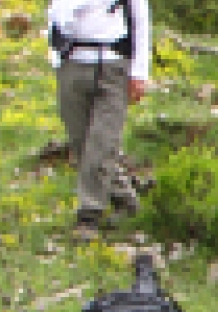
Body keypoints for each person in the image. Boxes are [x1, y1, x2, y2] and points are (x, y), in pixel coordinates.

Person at [47, 0, 150, 236]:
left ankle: (89, 215)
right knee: (81, 142)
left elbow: (140, 19)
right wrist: (56, 57)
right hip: (71, 63)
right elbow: (54, 12)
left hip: (113, 65)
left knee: (102, 143)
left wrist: (139, 72)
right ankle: (125, 200)